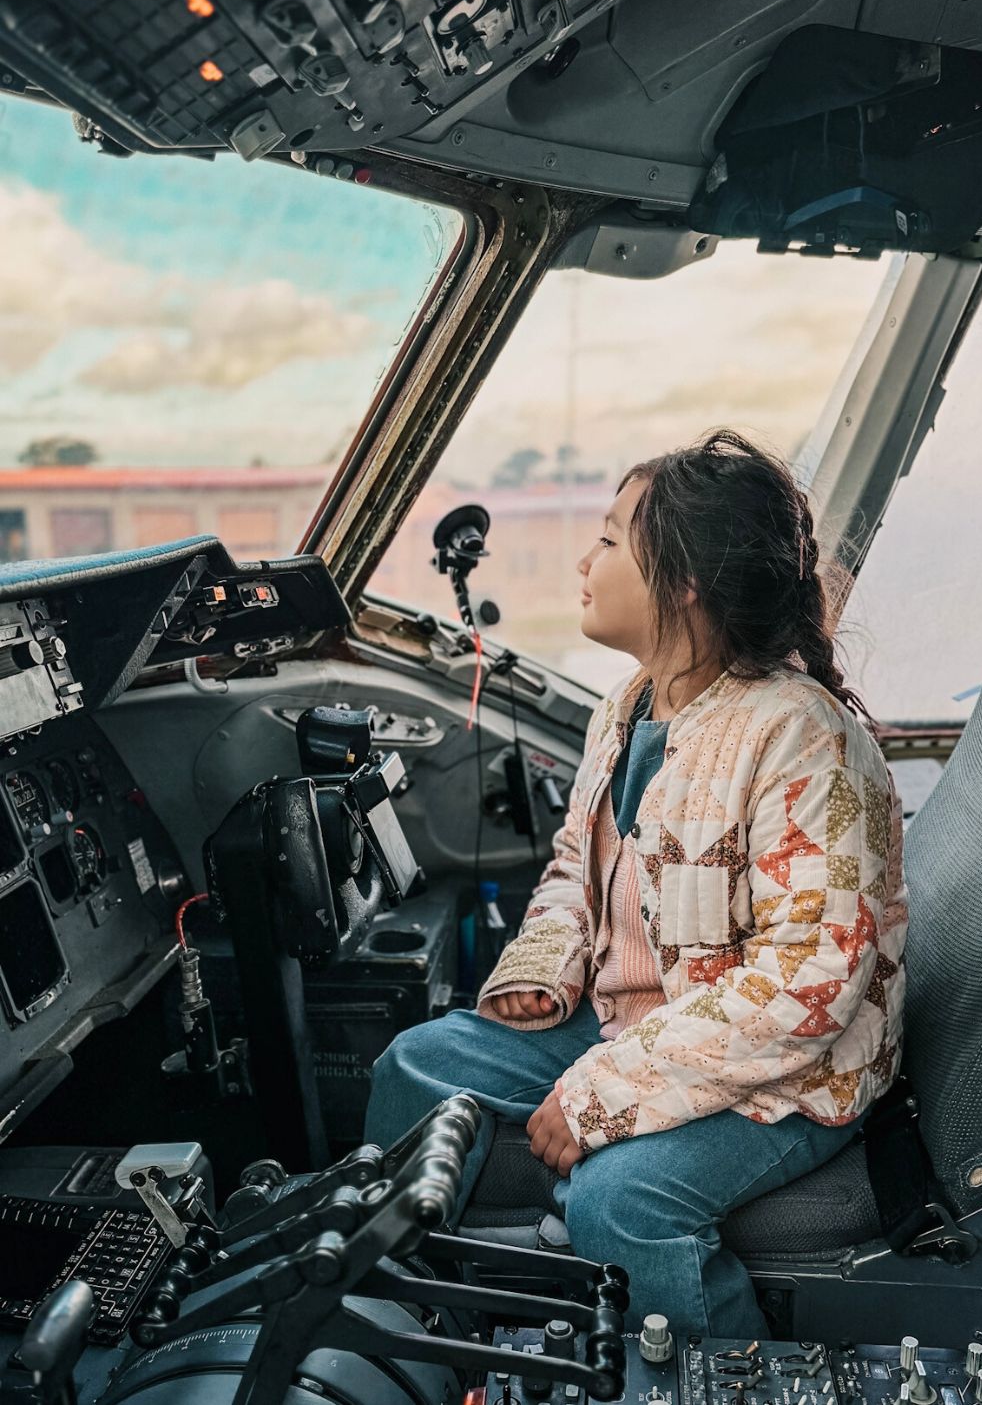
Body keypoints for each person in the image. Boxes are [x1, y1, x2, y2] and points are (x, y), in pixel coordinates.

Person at [366, 429, 906, 1335]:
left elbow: (807, 986)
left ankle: (720, 1379)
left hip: (795, 1068)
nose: (586, 562)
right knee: (412, 1067)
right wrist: (547, 964)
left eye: (609, 540)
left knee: (621, 1200)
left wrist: (602, 1095)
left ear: (684, 579)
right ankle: (421, 1316)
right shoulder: (629, 707)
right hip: (630, 1018)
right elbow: (575, 867)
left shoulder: (802, 739)